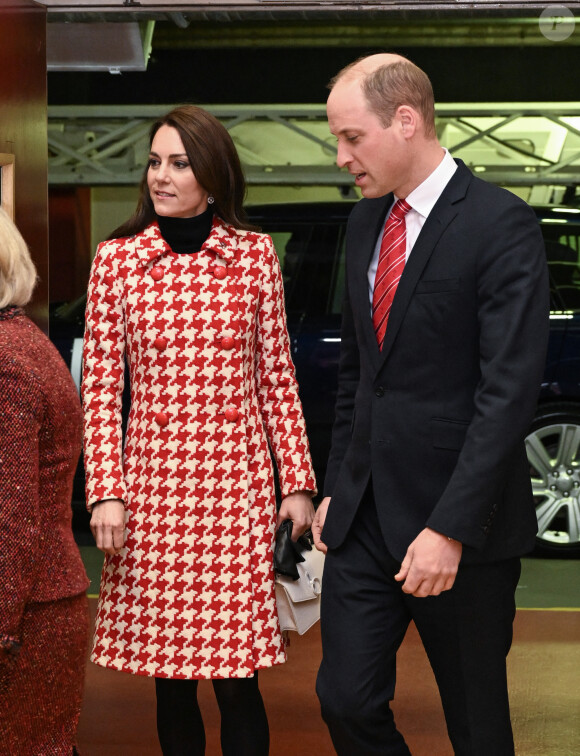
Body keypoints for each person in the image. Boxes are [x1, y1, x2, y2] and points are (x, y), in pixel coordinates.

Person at [312, 54, 549, 756]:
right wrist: (338, 488)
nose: (340, 156)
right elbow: (361, 376)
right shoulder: (363, 227)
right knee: (344, 702)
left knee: (477, 728)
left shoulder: (500, 225)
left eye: (352, 137)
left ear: (406, 121)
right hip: (363, 522)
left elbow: (505, 395)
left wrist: (450, 529)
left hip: (460, 531)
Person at [82, 104, 317, 756]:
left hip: (234, 495)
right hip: (153, 497)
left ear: (211, 175)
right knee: (172, 680)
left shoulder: (252, 259)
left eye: (179, 163)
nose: (162, 175)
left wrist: (296, 484)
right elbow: (101, 389)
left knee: (237, 679)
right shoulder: (118, 263)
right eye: (155, 162)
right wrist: (106, 491)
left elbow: (276, 379)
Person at [0, 207, 90, 755]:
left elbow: (10, 517)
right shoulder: (24, 340)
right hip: (40, 606)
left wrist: (2, 629)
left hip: (25, 617)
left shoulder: (6, 362)